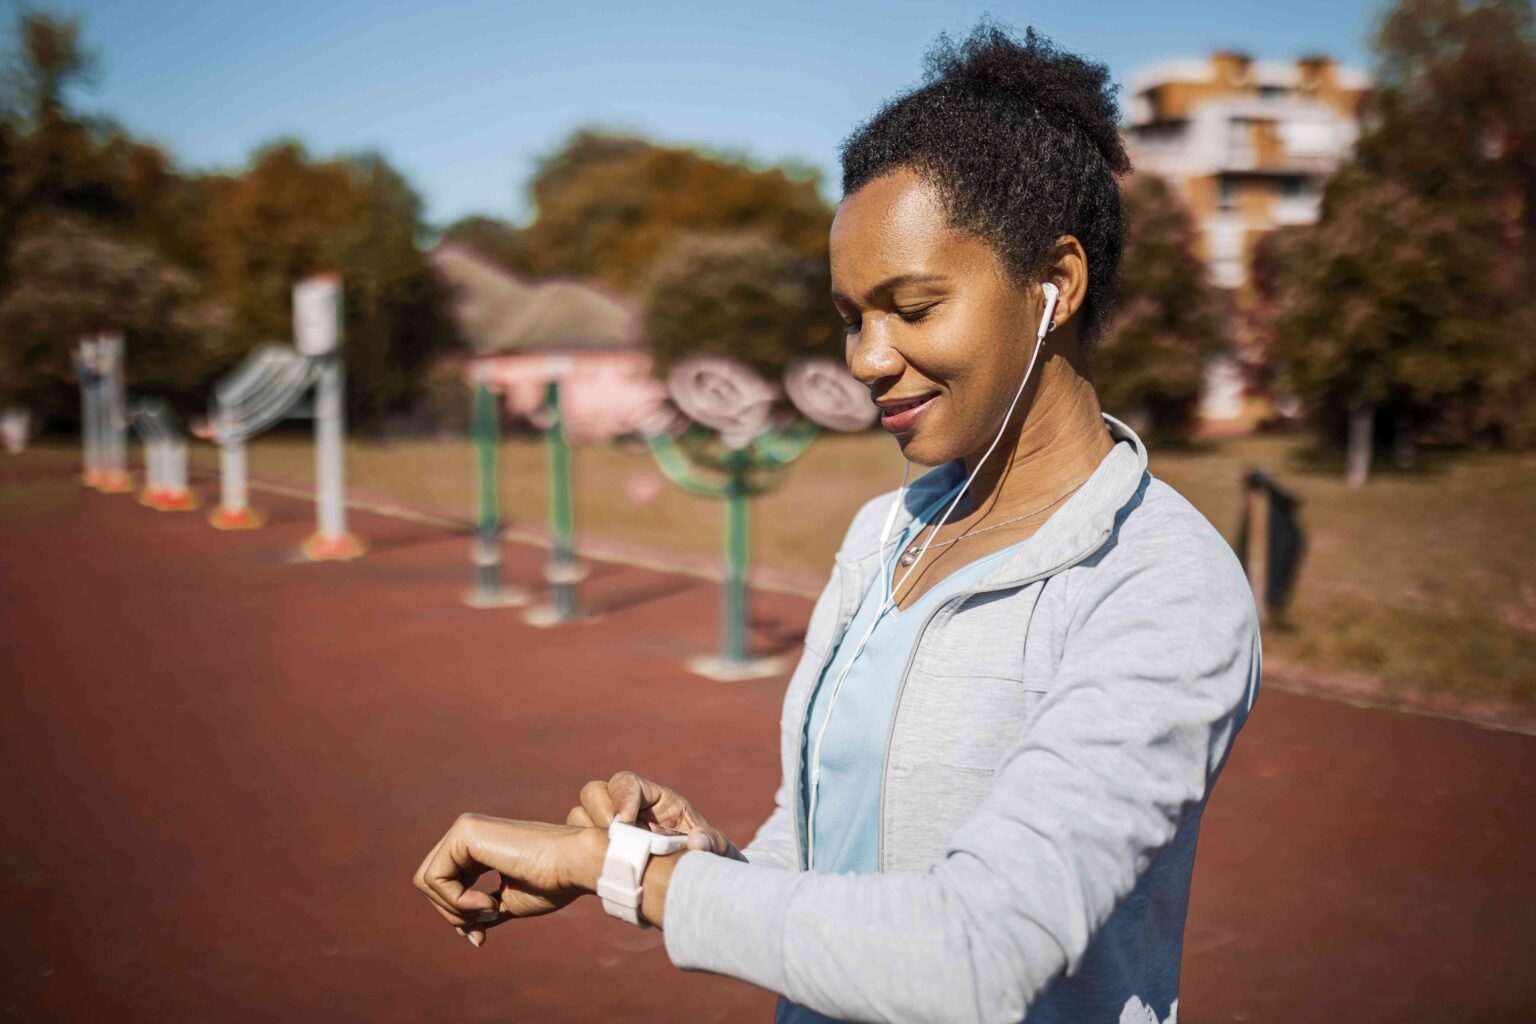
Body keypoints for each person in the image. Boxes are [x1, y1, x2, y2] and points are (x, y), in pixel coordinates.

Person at [413, 21, 1261, 1024]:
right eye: (853, 315)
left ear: (1055, 286)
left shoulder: (1162, 587)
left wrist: (620, 876)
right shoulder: (884, 534)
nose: (866, 358)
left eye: (912, 305)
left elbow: (976, 955)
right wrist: (691, 858)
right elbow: (823, 857)